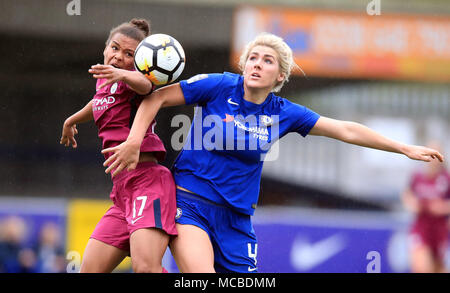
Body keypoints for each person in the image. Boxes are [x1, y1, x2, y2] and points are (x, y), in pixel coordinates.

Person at [101, 33, 444, 273]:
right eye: (252, 57)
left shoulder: (284, 112)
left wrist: (403, 147)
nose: (256, 64)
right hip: (191, 206)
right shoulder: (220, 86)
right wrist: (133, 142)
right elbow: (156, 97)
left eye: (267, 61)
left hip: (237, 221)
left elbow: (345, 129)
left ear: (279, 75)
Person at [60, 18, 177, 273]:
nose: (118, 57)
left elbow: (147, 86)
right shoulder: (104, 80)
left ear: (139, 61)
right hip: (122, 192)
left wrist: (125, 73)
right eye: (114, 48)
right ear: (105, 48)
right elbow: (99, 102)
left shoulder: (136, 80)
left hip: (148, 182)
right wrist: (72, 119)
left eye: (128, 54)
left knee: (145, 268)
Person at [402, 141, 450, 273]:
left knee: (438, 268)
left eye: (436, 155)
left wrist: (443, 207)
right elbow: (407, 194)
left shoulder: (446, 179)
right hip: (421, 227)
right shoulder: (417, 177)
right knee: (422, 268)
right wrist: (412, 204)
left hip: (440, 229)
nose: (433, 160)